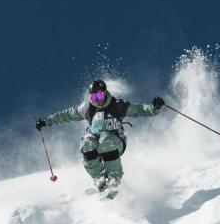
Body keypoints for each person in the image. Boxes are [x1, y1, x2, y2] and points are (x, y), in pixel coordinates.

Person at [35, 80, 165, 191]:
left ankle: (114, 177)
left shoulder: (118, 105)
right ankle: (99, 177)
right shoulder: (86, 108)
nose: (97, 100)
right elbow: (66, 115)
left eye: (100, 96)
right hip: (96, 139)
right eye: (94, 97)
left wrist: (154, 107)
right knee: (87, 144)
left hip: (115, 140)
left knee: (105, 141)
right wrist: (47, 121)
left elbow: (141, 110)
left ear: (105, 94)